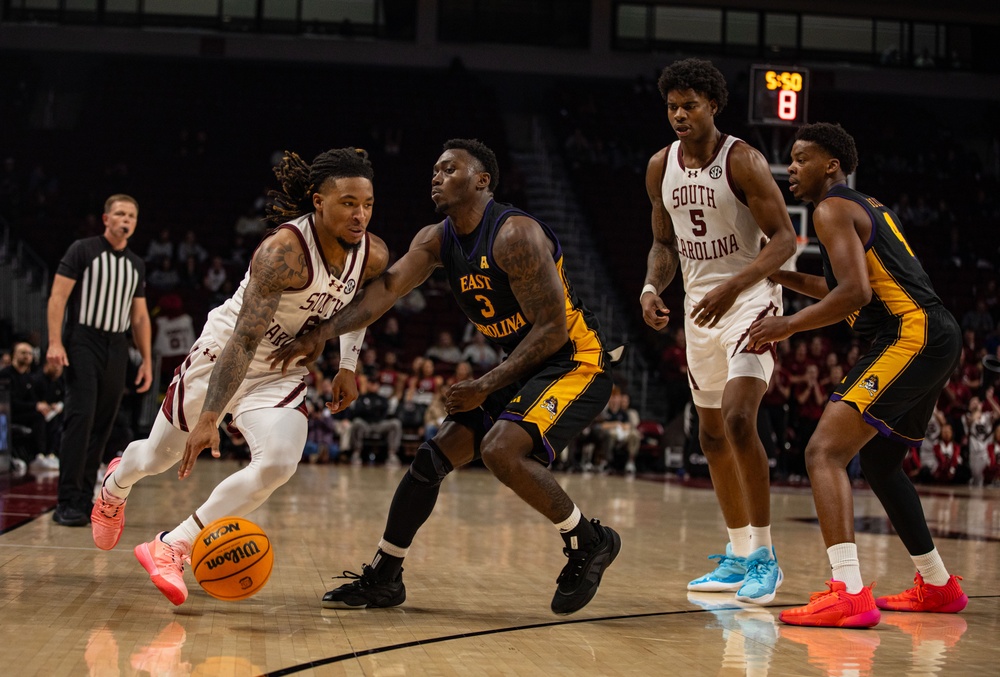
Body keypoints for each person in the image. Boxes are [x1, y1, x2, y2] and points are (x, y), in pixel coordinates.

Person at [270, 138, 621, 616]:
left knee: (500, 449)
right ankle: (386, 577)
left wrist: (484, 384)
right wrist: (325, 335)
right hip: (522, 366)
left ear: (482, 180)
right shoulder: (436, 239)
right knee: (432, 459)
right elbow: (387, 290)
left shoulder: (514, 235)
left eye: (449, 168)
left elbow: (552, 330)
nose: (436, 176)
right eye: (434, 169)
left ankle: (589, 539)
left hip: (575, 360)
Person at [87, 148, 389, 605]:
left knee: (279, 462)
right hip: (226, 353)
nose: (359, 214)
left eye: (367, 204)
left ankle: (174, 544)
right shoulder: (282, 253)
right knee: (158, 458)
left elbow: (361, 305)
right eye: (348, 202)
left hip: (280, 370)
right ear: (319, 201)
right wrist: (211, 415)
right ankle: (114, 486)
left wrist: (348, 364)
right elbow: (243, 344)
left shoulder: (372, 253)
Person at [747, 122, 968, 627]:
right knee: (882, 463)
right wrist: (768, 272)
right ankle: (936, 584)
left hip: (910, 333)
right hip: (935, 332)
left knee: (823, 451)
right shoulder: (863, 207)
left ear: (832, 165)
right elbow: (837, 285)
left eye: (801, 159)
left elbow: (853, 295)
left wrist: (784, 326)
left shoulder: (829, 209)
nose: (791, 169)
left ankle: (847, 590)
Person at [639, 58, 796, 604]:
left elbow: (783, 240)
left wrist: (737, 286)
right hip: (700, 309)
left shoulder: (745, 161)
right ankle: (736, 554)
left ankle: (766, 558)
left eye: (690, 105)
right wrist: (651, 290)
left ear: (713, 106)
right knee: (709, 435)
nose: (679, 115)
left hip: (751, 299)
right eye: (672, 106)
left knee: (736, 418)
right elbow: (663, 242)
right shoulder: (661, 166)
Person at [46, 194, 153, 527]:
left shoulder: (136, 263)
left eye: (131, 215)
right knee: (81, 416)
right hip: (83, 339)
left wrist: (147, 360)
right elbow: (58, 297)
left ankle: (82, 497)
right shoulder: (83, 249)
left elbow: (139, 317)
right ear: (106, 219)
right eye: (120, 214)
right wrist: (54, 342)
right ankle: (67, 499)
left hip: (116, 346)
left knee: (104, 422)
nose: (126, 220)